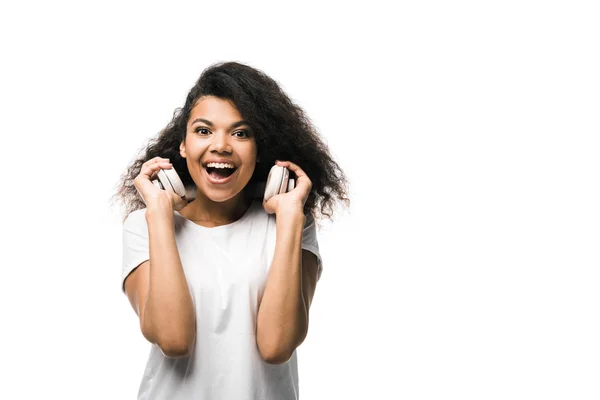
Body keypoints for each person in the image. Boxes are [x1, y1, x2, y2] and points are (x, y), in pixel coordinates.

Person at [114, 61, 349, 399]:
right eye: (204, 130)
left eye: (241, 133)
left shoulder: (291, 222)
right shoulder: (145, 225)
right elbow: (173, 339)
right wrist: (160, 215)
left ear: (259, 150)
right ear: (183, 146)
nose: (221, 145)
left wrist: (291, 220)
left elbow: (276, 346)